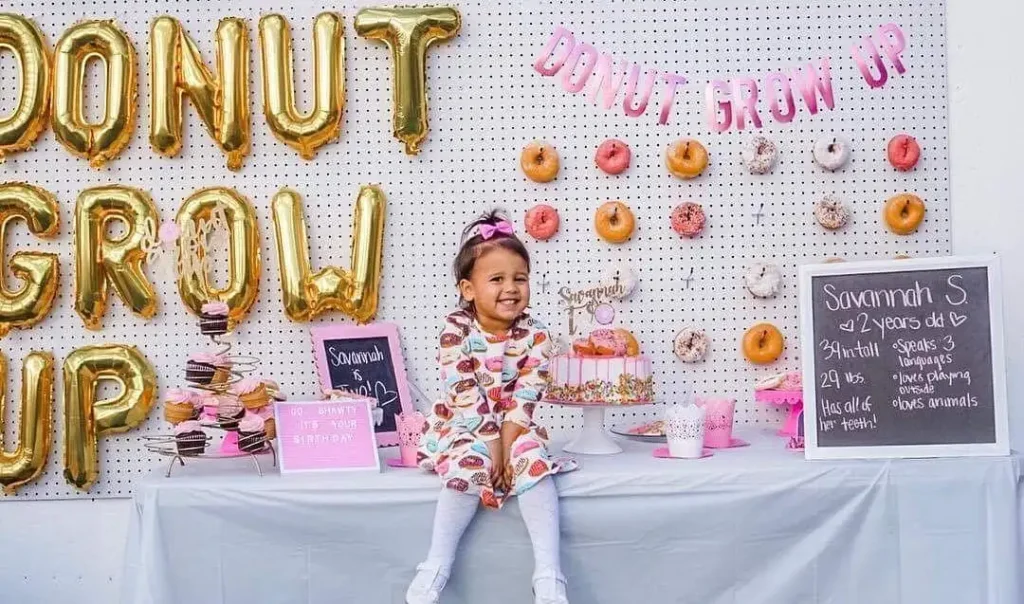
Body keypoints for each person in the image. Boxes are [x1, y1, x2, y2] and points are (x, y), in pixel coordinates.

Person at [407, 210, 571, 604]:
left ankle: (549, 574)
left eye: (520, 278)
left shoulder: (537, 334)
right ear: (468, 289)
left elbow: (528, 392)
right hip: (465, 423)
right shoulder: (455, 329)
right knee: (469, 465)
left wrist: (510, 443)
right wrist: (491, 443)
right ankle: (437, 563)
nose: (511, 288)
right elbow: (462, 389)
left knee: (533, 463)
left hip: (514, 425)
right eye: (497, 279)